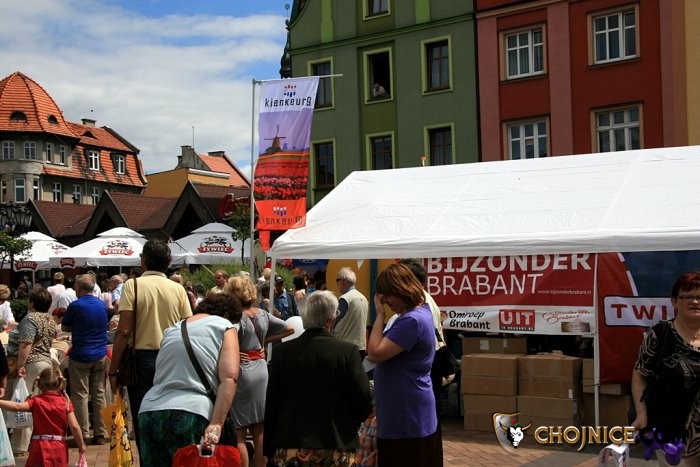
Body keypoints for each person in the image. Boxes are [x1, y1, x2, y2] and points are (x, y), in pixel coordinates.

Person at [263, 290, 372, 466]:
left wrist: (268, 449)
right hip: (336, 445)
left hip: (290, 446)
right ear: (329, 320)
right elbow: (364, 399)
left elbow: (272, 404)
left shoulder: (281, 353)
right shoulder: (347, 352)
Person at [107, 239, 192, 456]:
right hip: (173, 358)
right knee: (171, 414)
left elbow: (123, 330)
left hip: (142, 360)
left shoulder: (133, 285)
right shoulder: (178, 289)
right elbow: (188, 326)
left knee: (143, 416)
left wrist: (113, 369)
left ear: (143, 261)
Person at [138, 293, 242, 467]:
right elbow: (230, 377)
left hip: (150, 411)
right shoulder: (224, 326)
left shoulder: (172, 329)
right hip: (191, 412)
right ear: (228, 315)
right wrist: (216, 424)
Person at [367, 263, 442, 466]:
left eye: (387, 295)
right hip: (408, 412)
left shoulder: (411, 321)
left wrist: (379, 315)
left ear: (401, 290)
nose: (385, 301)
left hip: (406, 417)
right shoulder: (418, 314)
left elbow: (374, 353)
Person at [632, 272, 700, 466]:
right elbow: (639, 375)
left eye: (699, 297)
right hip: (672, 434)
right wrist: (641, 414)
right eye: (688, 297)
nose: (695, 302)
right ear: (674, 302)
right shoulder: (660, 334)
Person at [225, 275, 294, 467]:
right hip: (261, 369)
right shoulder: (262, 314)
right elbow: (290, 329)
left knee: (239, 432)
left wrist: (238, 352)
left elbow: (227, 340)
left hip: (242, 370)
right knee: (260, 430)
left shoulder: (234, 318)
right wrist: (263, 342)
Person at [0, 361, 86, 466]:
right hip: (59, 447)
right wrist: (81, 445)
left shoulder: (36, 401)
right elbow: (74, 426)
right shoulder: (65, 402)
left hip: (39, 446)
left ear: (39, 384)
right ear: (60, 384)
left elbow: (17, 406)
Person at [6, 288, 59, 457]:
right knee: (37, 404)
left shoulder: (30, 318)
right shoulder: (50, 319)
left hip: (31, 363)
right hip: (45, 363)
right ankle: (32, 441)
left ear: (32, 303)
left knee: (23, 403)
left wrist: (20, 366)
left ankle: (19, 446)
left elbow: (25, 344)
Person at [61, 274, 109, 446]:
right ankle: (101, 432)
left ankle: (82, 433)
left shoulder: (76, 305)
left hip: (81, 354)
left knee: (80, 394)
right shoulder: (101, 304)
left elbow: (64, 325)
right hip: (100, 354)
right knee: (99, 393)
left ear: (79, 288)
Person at [334, 267, 369, 357]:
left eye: (337, 280)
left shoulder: (345, 298)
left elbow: (334, 320)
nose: (337, 284)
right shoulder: (363, 298)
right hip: (361, 346)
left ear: (343, 282)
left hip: (344, 346)